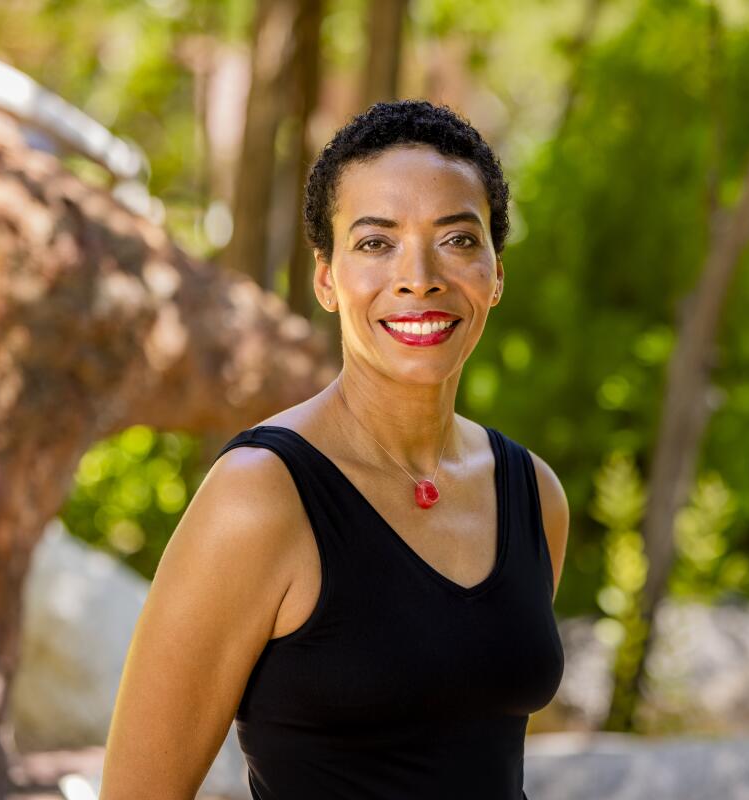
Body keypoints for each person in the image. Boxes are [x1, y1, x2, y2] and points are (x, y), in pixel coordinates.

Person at [99, 99, 569, 800]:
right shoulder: (260, 495)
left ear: (495, 274)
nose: (419, 277)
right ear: (326, 278)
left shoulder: (532, 493)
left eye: (459, 239)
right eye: (375, 242)